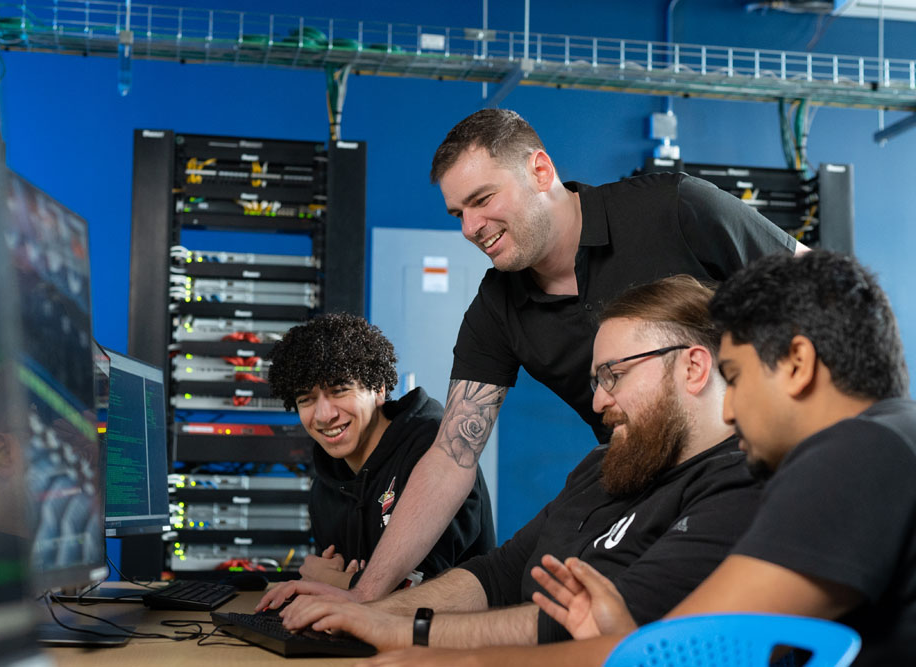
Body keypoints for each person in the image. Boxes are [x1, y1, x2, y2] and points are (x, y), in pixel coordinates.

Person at [295, 108, 807, 603]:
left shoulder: (673, 208)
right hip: (645, 489)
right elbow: (452, 457)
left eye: (482, 199)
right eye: (458, 214)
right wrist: (364, 596)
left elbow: (822, 291)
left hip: (755, 474)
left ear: (541, 170)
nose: (471, 227)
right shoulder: (497, 308)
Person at [360, 250, 915, 666]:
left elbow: (679, 648)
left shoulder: (856, 452)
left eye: (739, 378)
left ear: (797, 364)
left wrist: (457, 660)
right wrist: (626, 637)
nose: (734, 404)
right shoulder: (894, 437)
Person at [264, 276, 761, 653]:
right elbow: (498, 574)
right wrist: (363, 609)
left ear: (694, 367)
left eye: (614, 375)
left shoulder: (739, 487)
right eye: (596, 381)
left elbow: (584, 630)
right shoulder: (603, 467)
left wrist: (400, 629)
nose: (597, 403)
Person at [267, 313, 495, 590]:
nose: (324, 415)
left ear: (378, 389)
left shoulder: (437, 453)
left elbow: (421, 593)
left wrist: (327, 579)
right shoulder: (325, 488)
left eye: (339, 390)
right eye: (306, 399)